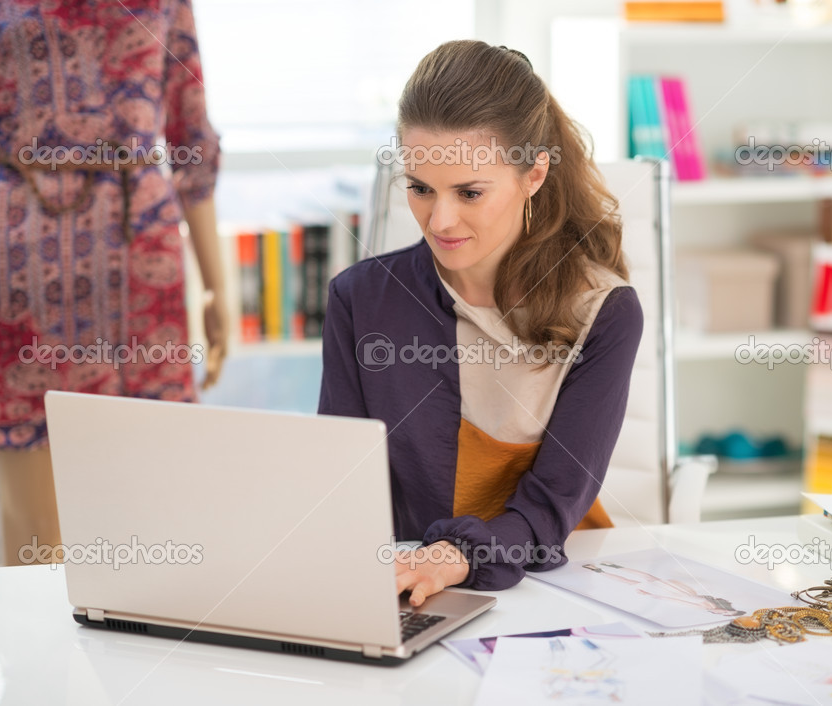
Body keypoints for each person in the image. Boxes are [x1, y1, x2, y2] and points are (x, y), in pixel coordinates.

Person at [318, 40, 643, 605]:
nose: (439, 221)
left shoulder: (604, 312)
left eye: (470, 192)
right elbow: (338, 488)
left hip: (548, 590)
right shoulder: (359, 299)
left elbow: (550, 506)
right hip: (400, 592)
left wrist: (453, 558)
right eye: (420, 189)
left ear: (535, 174)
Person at [0, 0, 227, 565]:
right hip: (20, 259)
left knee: (154, 519)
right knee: (37, 537)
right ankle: (38, 650)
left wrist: (217, 286)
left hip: (141, 253)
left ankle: (152, 644)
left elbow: (190, 131)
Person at [581, 562, 746, 617]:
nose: (723, 614)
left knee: (638, 581)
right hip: (675, 592)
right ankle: (607, 569)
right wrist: (654, 596)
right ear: (727, 609)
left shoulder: (709, 605)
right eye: (727, 613)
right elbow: (676, 600)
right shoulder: (706, 606)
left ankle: (604, 570)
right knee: (641, 580)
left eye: (726, 615)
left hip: (681, 590)